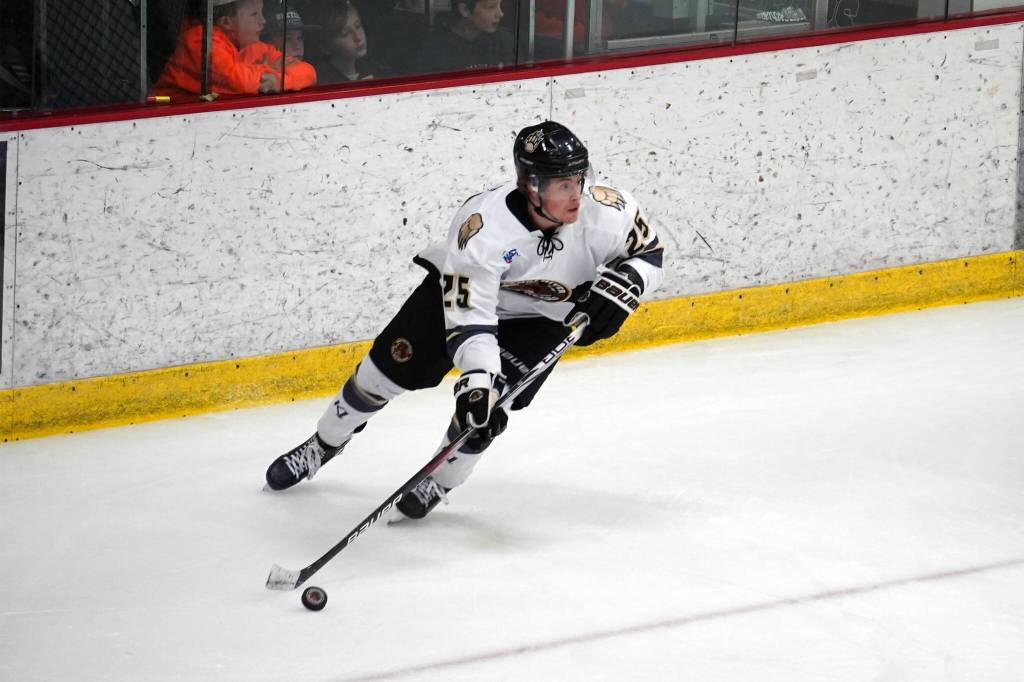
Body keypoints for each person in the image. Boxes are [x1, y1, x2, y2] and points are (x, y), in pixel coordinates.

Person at [264, 121, 664, 521]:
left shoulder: (610, 211)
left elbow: (649, 253)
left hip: (544, 320)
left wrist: (631, 281)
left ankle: (439, 481)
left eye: (580, 178)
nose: (576, 194)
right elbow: (471, 321)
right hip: (460, 308)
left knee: (485, 415)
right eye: (563, 185)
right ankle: (324, 443)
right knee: (382, 374)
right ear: (531, 185)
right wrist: (478, 379)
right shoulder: (483, 229)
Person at [153, 0, 316, 98]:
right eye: (254, 14)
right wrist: (268, 71)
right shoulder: (200, 40)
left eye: (262, 12)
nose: (263, 21)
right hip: (164, 121)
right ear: (226, 22)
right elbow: (238, 83)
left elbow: (308, 72)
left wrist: (280, 82)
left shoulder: (253, 46)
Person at [414, 0, 513, 74]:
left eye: (500, 5)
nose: (500, 13)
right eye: (491, 7)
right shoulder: (434, 48)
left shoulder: (504, 41)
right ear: (464, 10)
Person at [306, 0, 377, 83]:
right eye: (344, 34)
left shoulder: (376, 70)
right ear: (325, 47)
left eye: (358, 26)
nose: (358, 37)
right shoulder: (321, 83)